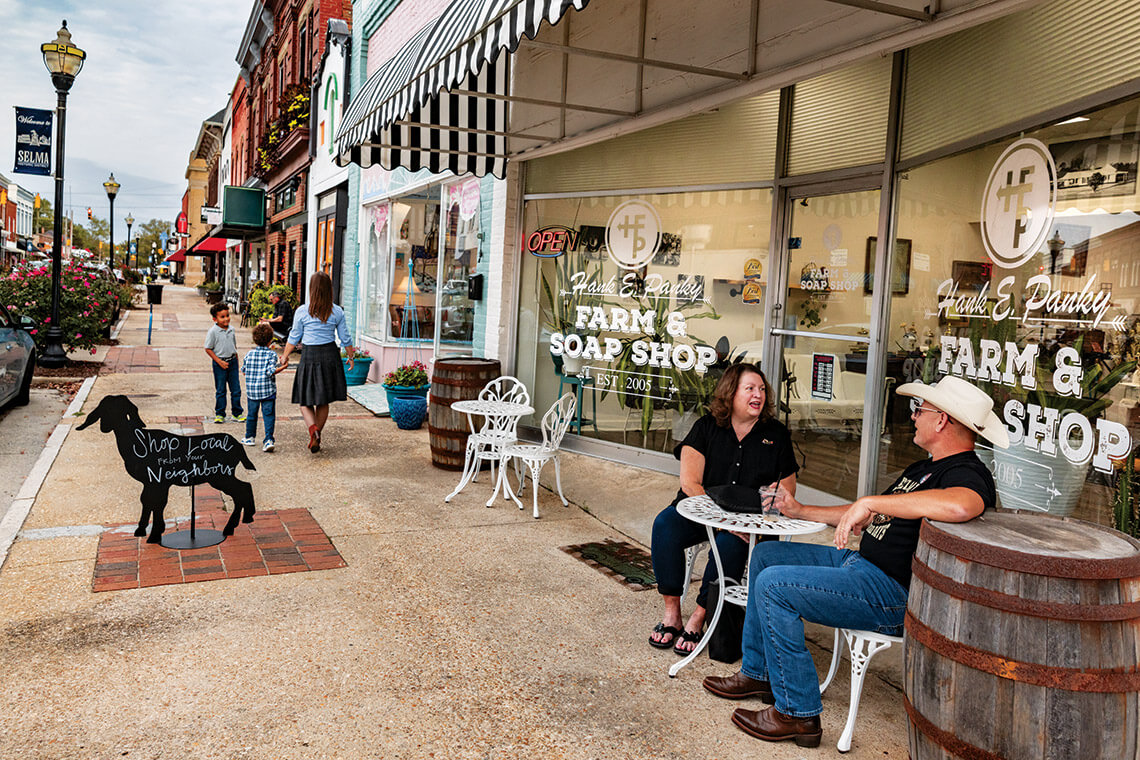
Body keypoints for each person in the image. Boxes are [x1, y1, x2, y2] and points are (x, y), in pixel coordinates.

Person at [701, 375, 1005, 749]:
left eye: (919, 410)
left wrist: (871, 503)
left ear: (941, 420)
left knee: (773, 586)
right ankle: (759, 672)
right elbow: (864, 513)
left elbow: (964, 504)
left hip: (889, 592)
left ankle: (797, 714)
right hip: (860, 567)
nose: (913, 417)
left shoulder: (965, 472)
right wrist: (802, 509)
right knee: (766, 555)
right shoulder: (921, 470)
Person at [649, 363, 799, 655]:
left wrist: (762, 514)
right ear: (731, 393)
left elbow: (787, 489)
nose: (759, 395)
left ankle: (699, 616)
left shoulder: (776, 434)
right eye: (750, 389)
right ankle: (672, 614)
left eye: (762, 389)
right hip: (701, 509)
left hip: (747, 523)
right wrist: (720, 520)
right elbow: (690, 483)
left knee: (731, 545)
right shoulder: (706, 427)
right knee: (664, 526)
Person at [278, 272, 354, 453]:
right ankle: (317, 433)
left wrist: (285, 356)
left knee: (305, 399)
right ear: (329, 290)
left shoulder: (302, 311)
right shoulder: (337, 311)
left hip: (310, 356)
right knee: (323, 400)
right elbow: (345, 338)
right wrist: (350, 357)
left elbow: (294, 336)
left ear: (311, 289)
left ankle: (313, 430)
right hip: (329, 355)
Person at [241, 323, 284, 452]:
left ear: (255, 339)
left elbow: (243, 370)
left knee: (251, 415)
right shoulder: (271, 355)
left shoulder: (249, 354)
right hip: (267, 391)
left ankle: (249, 437)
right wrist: (283, 367)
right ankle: (268, 440)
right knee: (268, 415)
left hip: (252, 392)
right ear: (270, 340)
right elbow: (271, 371)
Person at [204, 303, 245, 424]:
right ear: (215, 319)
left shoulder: (232, 329)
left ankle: (237, 413)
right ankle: (220, 413)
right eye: (222, 317)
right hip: (219, 364)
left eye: (227, 315)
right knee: (221, 390)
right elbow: (208, 348)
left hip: (232, 362)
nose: (226, 318)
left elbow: (234, 346)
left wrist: (236, 361)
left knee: (236, 389)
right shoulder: (213, 332)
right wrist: (219, 362)